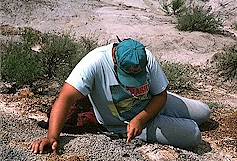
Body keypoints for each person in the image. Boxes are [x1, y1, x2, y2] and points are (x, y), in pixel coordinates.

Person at [29, 38, 210, 154]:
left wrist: (140, 117)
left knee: (204, 112)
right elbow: (65, 98)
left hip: (149, 107)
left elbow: (160, 95)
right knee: (193, 134)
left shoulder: (144, 56)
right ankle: (131, 129)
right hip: (125, 122)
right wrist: (52, 137)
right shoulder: (94, 62)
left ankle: (165, 119)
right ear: (115, 60)